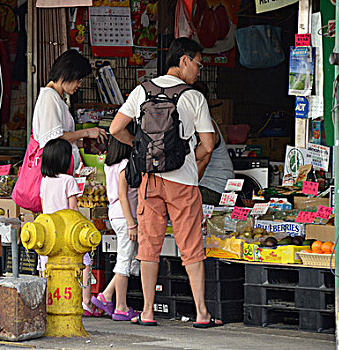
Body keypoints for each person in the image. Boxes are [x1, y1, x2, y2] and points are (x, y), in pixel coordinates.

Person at [109, 37, 223, 328]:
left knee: (149, 247)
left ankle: (147, 312)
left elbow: (115, 129)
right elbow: (208, 145)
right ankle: (201, 314)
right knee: (191, 246)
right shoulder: (193, 97)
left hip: (150, 181)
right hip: (183, 181)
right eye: (198, 64)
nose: (199, 71)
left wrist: (139, 146)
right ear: (183, 60)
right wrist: (189, 160)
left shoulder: (141, 91)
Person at [37, 138, 101, 317]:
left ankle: (49, 300)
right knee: (84, 262)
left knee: (46, 266)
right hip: (67, 230)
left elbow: (44, 207)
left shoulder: (44, 181)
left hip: (49, 230)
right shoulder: (69, 180)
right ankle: (86, 301)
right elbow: (73, 208)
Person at [32, 49, 107, 172]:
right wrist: (87, 133)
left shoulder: (57, 97)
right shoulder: (50, 97)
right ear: (67, 74)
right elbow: (54, 139)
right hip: (55, 173)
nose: (79, 85)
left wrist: (85, 143)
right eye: (79, 80)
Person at [91, 134, 140, 321]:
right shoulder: (125, 165)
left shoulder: (109, 165)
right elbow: (123, 194)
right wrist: (131, 223)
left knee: (127, 259)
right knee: (124, 262)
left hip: (116, 213)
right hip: (124, 214)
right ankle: (121, 307)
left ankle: (106, 296)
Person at [192, 81, 235, 205]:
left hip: (213, 187)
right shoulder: (191, 122)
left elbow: (203, 161)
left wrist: (188, 188)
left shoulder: (207, 124)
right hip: (205, 185)